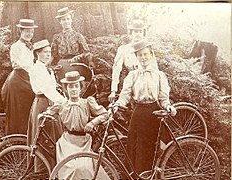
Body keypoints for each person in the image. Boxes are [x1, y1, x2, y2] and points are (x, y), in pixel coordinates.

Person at [114, 39, 177, 175]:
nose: (143, 58)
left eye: (145, 54)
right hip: (138, 114)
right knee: (136, 147)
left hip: (154, 114)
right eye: (140, 55)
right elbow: (125, 94)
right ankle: (137, 176)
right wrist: (118, 104)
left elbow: (163, 98)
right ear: (136, 57)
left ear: (151, 55)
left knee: (152, 148)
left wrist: (168, 107)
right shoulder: (133, 75)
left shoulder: (159, 75)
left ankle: (153, 176)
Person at [42, 71, 110, 179]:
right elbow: (48, 112)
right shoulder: (62, 103)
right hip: (67, 142)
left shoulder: (87, 102)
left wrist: (92, 123)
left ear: (80, 88)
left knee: (83, 167)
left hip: (84, 142)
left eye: (76, 86)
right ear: (66, 89)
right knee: (72, 167)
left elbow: (105, 114)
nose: (73, 89)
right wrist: (43, 115)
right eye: (70, 87)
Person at [27, 39, 66, 168]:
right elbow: (47, 89)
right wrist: (63, 101)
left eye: (49, 52)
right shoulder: (36, 69)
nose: (48, 55)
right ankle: (43, 169)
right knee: (44, 137)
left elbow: (53, 88)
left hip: (51, 103)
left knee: (53, 135)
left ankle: (55, 167)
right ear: (37, 53)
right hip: (42, 104)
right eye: (45, 52)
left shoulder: (46, 69)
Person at [1, 19, 37, 135]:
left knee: (30, 107)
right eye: (27, 31)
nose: (29, 34)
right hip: (18, 81)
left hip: (26, 78)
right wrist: (32, 69)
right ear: (20, 31)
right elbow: (17, 64)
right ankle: (18, 139)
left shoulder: (30, 46)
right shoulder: (16, 47)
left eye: (31, 32)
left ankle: (28, 137)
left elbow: (30, 64)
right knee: (19, 111)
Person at [51, 7, 94, 83]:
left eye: (68, 19)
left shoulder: (78, 36)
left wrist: (90, 61)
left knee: (77, 85)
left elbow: (86, 52)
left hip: (76, 64)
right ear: (60, 22)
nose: (66, 21)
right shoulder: (56, 37)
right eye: (63, 20)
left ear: (71, 20)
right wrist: (49, 65)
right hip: (62, 65)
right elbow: (53, 55)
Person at [108, 19, 147, 102]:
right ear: (131, 33)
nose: (138, 34)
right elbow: (116, 69)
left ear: (143, 33)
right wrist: (113, 91)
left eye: (140, 32)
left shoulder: (147, 49)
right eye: (135, 32)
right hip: (130, 82)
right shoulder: (124, 49)